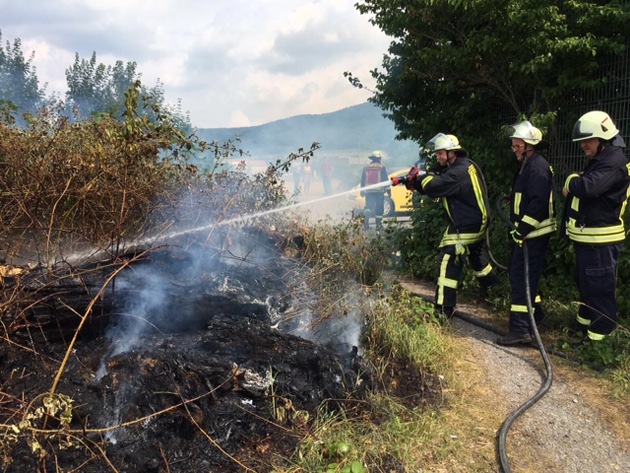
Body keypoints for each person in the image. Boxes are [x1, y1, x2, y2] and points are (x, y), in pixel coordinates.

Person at [400, 133, 498, 318]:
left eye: (440, 154)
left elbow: (434, 185)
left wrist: (425, 176)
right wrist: (414, 183)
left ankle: (444, 310)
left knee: (447, 258)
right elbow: (435, 185)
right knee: (477, 260)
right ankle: (494, 293)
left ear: (452, 152)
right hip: (475, 221)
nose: (438, 157)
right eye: (437, 154)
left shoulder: (459, 172)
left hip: (468, 223)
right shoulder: (460, 167)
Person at [562, 111, 630, 344]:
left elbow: (588, 188)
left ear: (602, 137)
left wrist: (571, 181)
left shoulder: (613, 162)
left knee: (599, 290)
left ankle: (598, 341)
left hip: (601, 241)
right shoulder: (604, 159)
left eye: (587, 140)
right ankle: (583, 326)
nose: (583, 145)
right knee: (587, 285)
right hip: (590, 239)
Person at [497, 121, 557, 346]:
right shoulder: (530, 166)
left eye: (516, 146)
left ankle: (521, 329)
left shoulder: (537, 167)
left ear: (528, 146)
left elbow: (539, 204)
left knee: (521, 277)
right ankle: (536, 317)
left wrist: (521, 230)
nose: (514, 150)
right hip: (528, 234)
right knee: (527, 276)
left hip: (532, 235)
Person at [360, 151, 390, 229]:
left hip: (368, 191)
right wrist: (388, 191)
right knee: (379, 208)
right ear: (379, 159)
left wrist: (362, 190)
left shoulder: (366, 167)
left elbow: (362, 180)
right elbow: (385, 180)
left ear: (372, 159)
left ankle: (366, 223)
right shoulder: (381, 167)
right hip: (379, 191)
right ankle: (378, 224)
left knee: (368, 207)